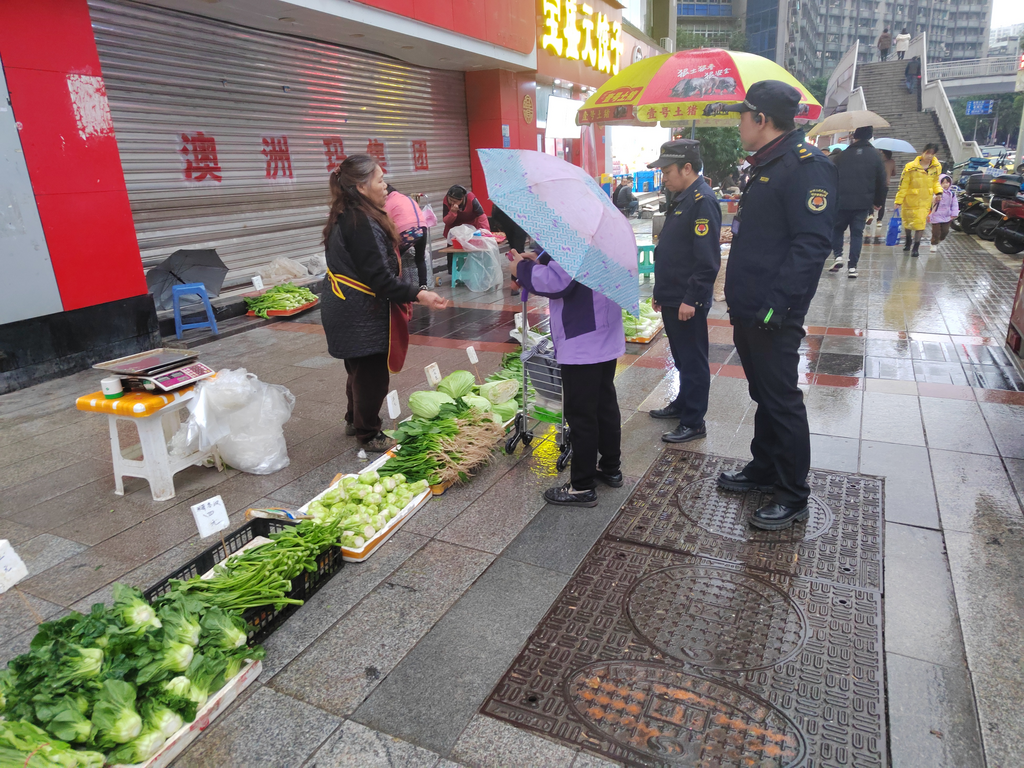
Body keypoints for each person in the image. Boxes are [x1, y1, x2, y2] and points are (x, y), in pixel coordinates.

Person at [719, 80, 837, 531]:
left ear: (761, 120)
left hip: (772, 310)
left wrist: (777, 307)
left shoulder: (806, 167)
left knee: (782, 399)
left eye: (742, 116)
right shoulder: (767, 164)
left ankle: (792, 494)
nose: (739, 124)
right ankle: (763, 468)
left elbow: (811, 244)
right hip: (750, 305)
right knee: (763, 394)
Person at [320, 155, 447, 451]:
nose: (385, 185)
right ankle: (369, 433)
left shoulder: (349, 212)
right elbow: (380, 278)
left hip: (344, 304)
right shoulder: (360, 220)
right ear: (362, 187)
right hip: (359, 309)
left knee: (358, 370)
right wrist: (420, 293)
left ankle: (354, 420)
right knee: (372, 375)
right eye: (379, 179)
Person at [510, 248, 624, 508]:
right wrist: (539, 261)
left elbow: (558, 282)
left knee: (581, 413)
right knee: (604, 404)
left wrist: (521, 269)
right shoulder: (602, 237)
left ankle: (581, 486)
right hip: (606, 332)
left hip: (581, 337)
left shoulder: (574, 236)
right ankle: (610, 468)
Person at [644, 139, 722, 443]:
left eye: (667, 170)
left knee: (693, 361)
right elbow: (674, 251)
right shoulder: (682, 197)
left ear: (687, 168)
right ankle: (682, 404)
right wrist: (660, 291)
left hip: (687, 299)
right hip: (673, 294)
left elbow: (707, 260)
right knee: (681, 357)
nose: (663, 177)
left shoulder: (702, 201)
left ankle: (694, 421)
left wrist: (691, 297)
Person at [828, 126, 887, 278]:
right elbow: (881, 181)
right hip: (863, 202)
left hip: (842, 201)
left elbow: (833, 176)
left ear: (855, 136)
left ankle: (838, 256)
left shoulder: (842, 155)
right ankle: (852, 267)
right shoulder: (876, 156)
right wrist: (878, 201)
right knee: (856, 234)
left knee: (838, 229)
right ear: (870, 137)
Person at [894, 143, 942, 257]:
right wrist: (898, 201)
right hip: (910, 199)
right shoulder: (910, 166)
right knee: (908, 223)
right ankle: (908, 241)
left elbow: (935, 181)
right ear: (923, 152)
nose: (930, 156)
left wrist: (938, 192)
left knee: (920, 224)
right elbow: (903, 185)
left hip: (925, 200)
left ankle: (916, 247)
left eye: (932, 153)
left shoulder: (937, 167)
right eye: (928, 153)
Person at [384, 184, 428, 289]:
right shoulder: (407, 199)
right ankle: (423, 284)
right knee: (420, 258)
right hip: (422, 228)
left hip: (408, 232)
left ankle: (395, 284)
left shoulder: (388, 202)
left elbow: (384, 222)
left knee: (394, 257)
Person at [442, 184, 489, 274]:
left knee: (473, 246)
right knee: (451, 246)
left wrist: (485, 231)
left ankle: (475, 267)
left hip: (470, 225)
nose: (452, 203)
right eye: (450, 200)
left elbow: (481, 215)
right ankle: (451, 270)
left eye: (455, 201)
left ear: (462, 199)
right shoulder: (446, 200)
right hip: (454, 225)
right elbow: (446, 221)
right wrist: (452, 212)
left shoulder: (471, 198)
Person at [929, 173, 959, 252]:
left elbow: (954, 204)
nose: (945, 185)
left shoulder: (951, 194)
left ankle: (939, 240)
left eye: (947, 182)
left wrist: (954, 213)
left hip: (946, 215)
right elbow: (930, 201)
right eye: (943, 183)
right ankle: (934, 243)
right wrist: (935, 198)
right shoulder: (936, 193)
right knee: (936, 231)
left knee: (945, 231)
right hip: (936, 215)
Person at [874, 149, 898, 238]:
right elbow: (894, 173)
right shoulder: (892, 162)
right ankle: (879, 220)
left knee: (872, 199)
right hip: (885, 184)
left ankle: (871, 214)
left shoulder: (878, 161)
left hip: (876, 183)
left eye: (882, 152)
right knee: (882, 202)